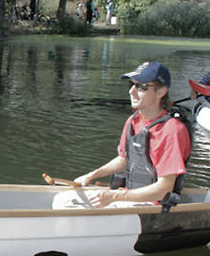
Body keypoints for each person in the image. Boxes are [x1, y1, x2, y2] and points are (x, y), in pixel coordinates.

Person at [55, 62, 191, 208]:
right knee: (62, 199)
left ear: (161, 92)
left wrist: (114, 196)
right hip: (129, 196)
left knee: (71, 207)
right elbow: (125, 159)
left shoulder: (173, 130)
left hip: (154, 205)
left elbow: (164, 189)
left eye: (141, 87)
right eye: (131, 85)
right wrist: (91, 175)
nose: (131, 91)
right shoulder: (133, 120)